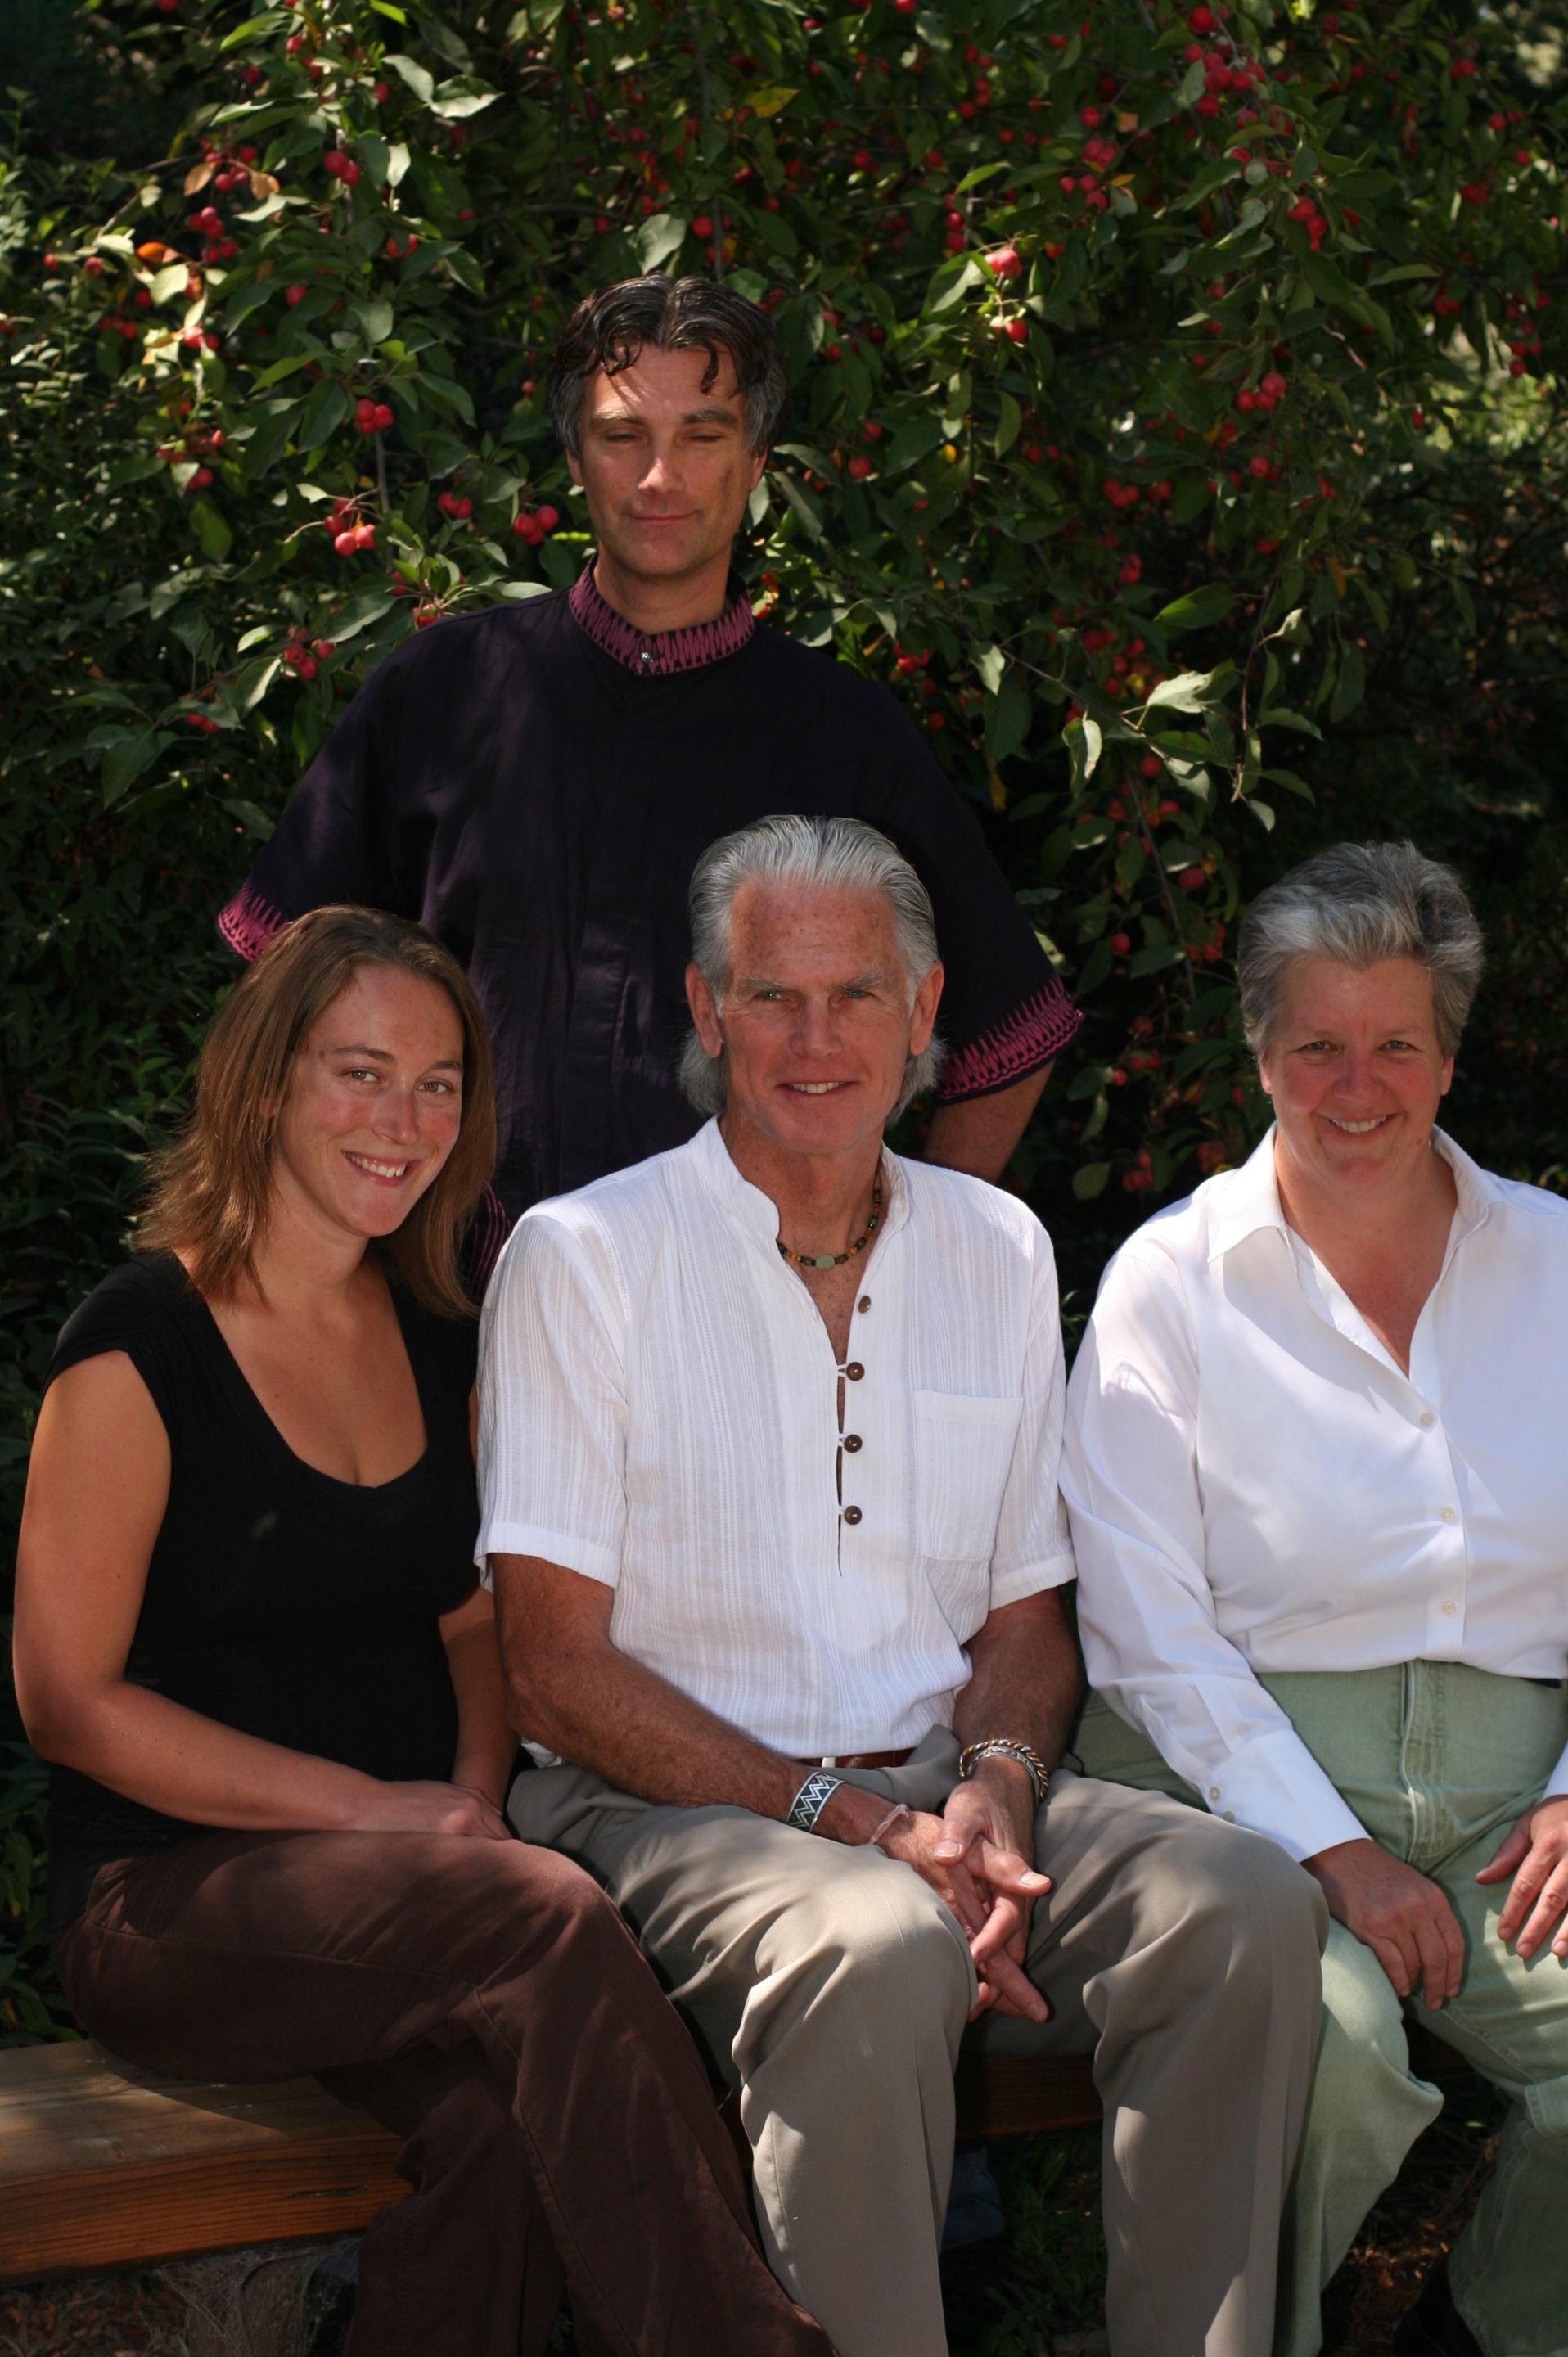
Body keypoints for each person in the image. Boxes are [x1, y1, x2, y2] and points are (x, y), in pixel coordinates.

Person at [475, 813, 1328, 2357]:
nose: (817, 1040)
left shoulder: (997, 1248)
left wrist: (996, 1786)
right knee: (875, 1946)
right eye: (773, 996)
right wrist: (846, 1819)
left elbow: (1023, 1615)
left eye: (857, 994)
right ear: (706, 1009)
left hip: (938, 1792)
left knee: (1246, 1910)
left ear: (924, 1011)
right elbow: (551, 1668)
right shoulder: (583, 1257)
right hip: (661, 1811)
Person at [11, 904, 833, 2357]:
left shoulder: (439, 1333)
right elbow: (68, 1701)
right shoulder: (136, 1347)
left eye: (439, 1083)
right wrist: (378, 1815)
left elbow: (471, 1622)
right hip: (167, 1900)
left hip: (415, 1897)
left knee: (504, 2130)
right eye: (362, 1074)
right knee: (546, 1914)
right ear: (265, 1083)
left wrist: (464, 1799)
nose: (405, 1122)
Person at [217, 276, 1079, 1287]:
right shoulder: (444, 691)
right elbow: (275, 1001)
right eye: (623, 435)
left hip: (733, 1316)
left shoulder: (844, 737)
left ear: (756, 463)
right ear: (574, 456)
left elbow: (1012, 1031)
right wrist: (322, 1283)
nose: (660, 476)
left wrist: (881, 1263)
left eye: (703, 436)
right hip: (443, 1308)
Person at [1060, 842, 1568, 2357]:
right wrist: (1334, 1850)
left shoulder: (1559, 1264)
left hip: (1515, 1808)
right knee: (1328, 2056)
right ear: (1259, 1051)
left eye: (1395, 1045)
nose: (1358, 1087)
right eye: (1317, 1046)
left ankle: (1491, 2333)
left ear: (1450, 1056)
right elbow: (1145, 1629)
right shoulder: (1169, 1284)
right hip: (1239, 1795)